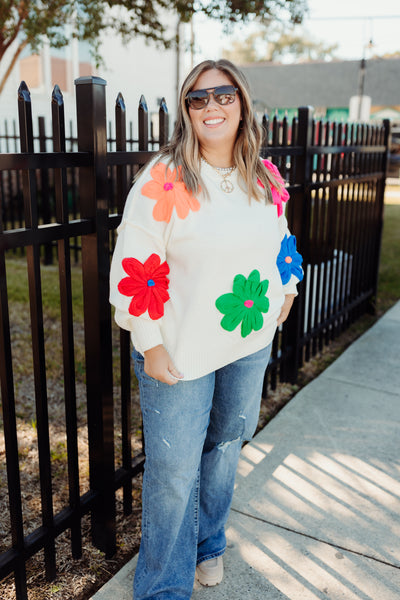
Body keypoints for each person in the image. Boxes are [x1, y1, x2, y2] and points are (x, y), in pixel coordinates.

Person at [109, 59, 303, 600]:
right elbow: (135, 263)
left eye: (223, 95)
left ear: (242, 103)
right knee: (173, 470)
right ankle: (164, 589)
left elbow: (280, 238)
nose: (211, 106)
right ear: (186, 111)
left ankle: (209, 546)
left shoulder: (263, 176)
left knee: (223, 448)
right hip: (179, 348)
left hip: (248, 339)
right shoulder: (164, 177)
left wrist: (287, 287)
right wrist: (147, 342)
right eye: (198, 98)